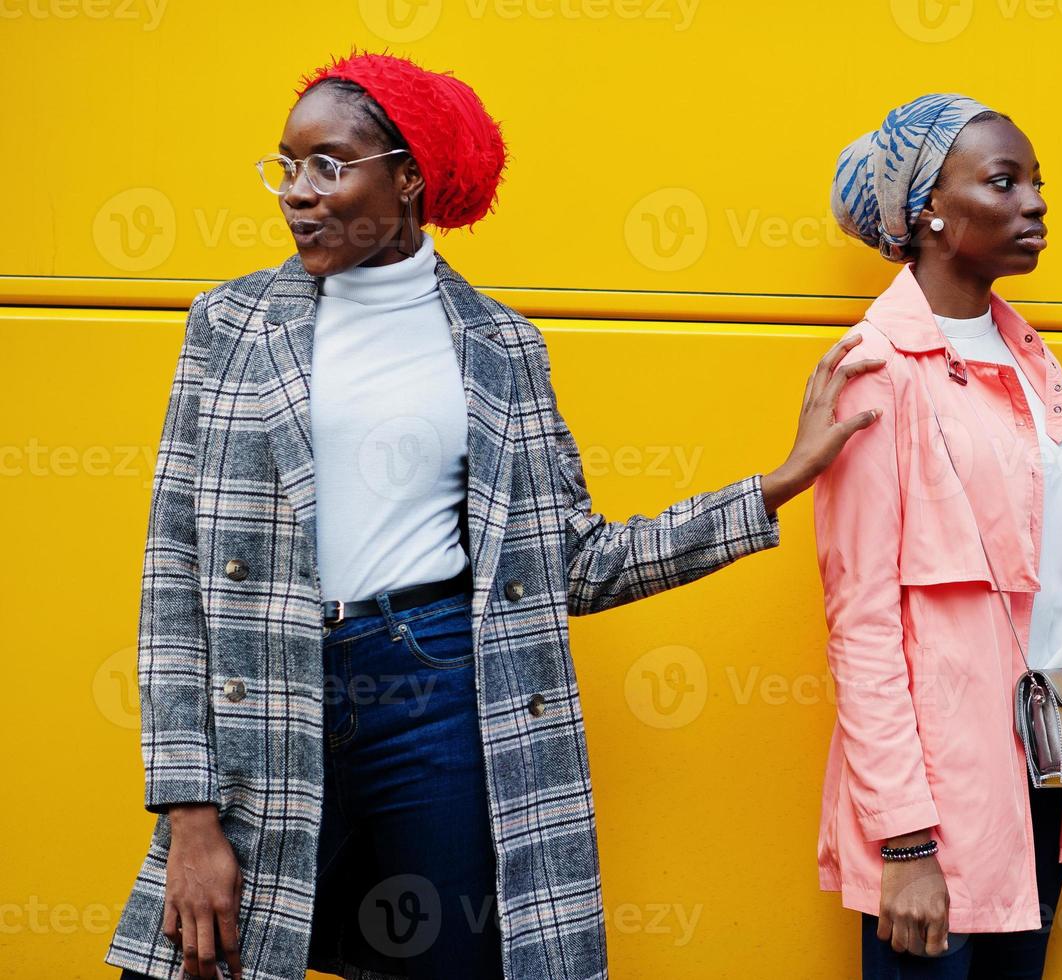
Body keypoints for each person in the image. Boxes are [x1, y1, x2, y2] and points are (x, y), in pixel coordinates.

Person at [105, 50, 885, 980]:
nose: (297, 193)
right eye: (286, 164)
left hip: (437, 692)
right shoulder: (230, 325)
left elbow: (577, 564)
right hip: (265, 698)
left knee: (453, 960)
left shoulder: (502, 346)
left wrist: (774, 485)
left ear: (406, 177)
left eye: (327, 164)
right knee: (204, 955)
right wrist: (187, 811)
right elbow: (173, 570)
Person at [815, 94, 1062, 979]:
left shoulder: (1036, 367)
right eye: (1004, 182)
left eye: (1037, 182)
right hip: (936, 803)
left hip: (1039, 778)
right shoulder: (876, 372)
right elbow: (864, 622)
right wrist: (905, 845)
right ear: (927, 210)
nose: (1034, 202)